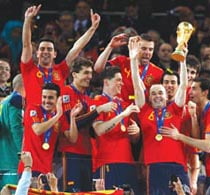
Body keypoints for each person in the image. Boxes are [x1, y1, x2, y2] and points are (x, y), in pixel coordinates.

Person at [130, 35, 190, 194]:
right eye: (154, 93)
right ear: (149, 97)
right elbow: (136, 84)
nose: (157, 95)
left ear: (166, 96)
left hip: (177, 164)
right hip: (154, 165)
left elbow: (183, 85)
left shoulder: (175, 109)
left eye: (161, 93)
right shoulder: (145, 111)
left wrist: (182, 61)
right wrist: (133, 60)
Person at [161, 77, 210, 194]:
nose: (190, 92)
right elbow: (197, 141)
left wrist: (179, 136)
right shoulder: (202, 112)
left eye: (194, 89)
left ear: (205, 92)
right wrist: (194, 118)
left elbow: (207, 146)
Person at [20, 4, 100, 106]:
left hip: (58, 120)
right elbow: (26, 44)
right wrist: (27, 20)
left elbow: (76, 48)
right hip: (35, 119)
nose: (45, 52)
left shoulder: (60, 70)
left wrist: (92, 28)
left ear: (55, 54)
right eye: (42, 49)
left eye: (49, 49)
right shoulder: (28, 69)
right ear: (37, 53)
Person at [59, 57, 113, 192]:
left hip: (87, 153)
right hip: (70, 153)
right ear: (74, 75)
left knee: (86, 192)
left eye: (90, 73)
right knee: (71, 191)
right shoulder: (66, 93)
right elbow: (74, 123)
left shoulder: (87, 98)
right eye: (85, 73)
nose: (89, 76)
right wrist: (98, 110)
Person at [92, 66, 141, 193]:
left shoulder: (124, 105)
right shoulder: (98, 102)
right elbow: (99, 130)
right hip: (107, 162)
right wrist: (123, 115)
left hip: (127, 162)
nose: (122, 83)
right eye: (118, 80)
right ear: (106, 82)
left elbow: (134, 139)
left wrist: (137, 132)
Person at [18, 83, 81, 179]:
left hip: (47, 171)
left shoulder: (60, 117)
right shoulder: (33, 109)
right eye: (44, 97)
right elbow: (38, 130)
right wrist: (58, 115)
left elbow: (72, 138)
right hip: (29, 168)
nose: (46, 101)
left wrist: (72, 118)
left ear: (58, 99)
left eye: (50, 98)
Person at [94, 33, 164, 103]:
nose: (147, 52)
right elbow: (98, 68)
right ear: (135, 48)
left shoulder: (158, 72)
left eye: (150, 49)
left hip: (140, 111)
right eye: (143, 48)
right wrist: (110, 46)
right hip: (119, 109)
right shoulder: (122, 61)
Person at [0, 74, 24, 188]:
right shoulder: (17, 99)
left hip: (3, 157)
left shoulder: (4, 101)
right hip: (13, 158)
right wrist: (22, 151)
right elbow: (16, 128)